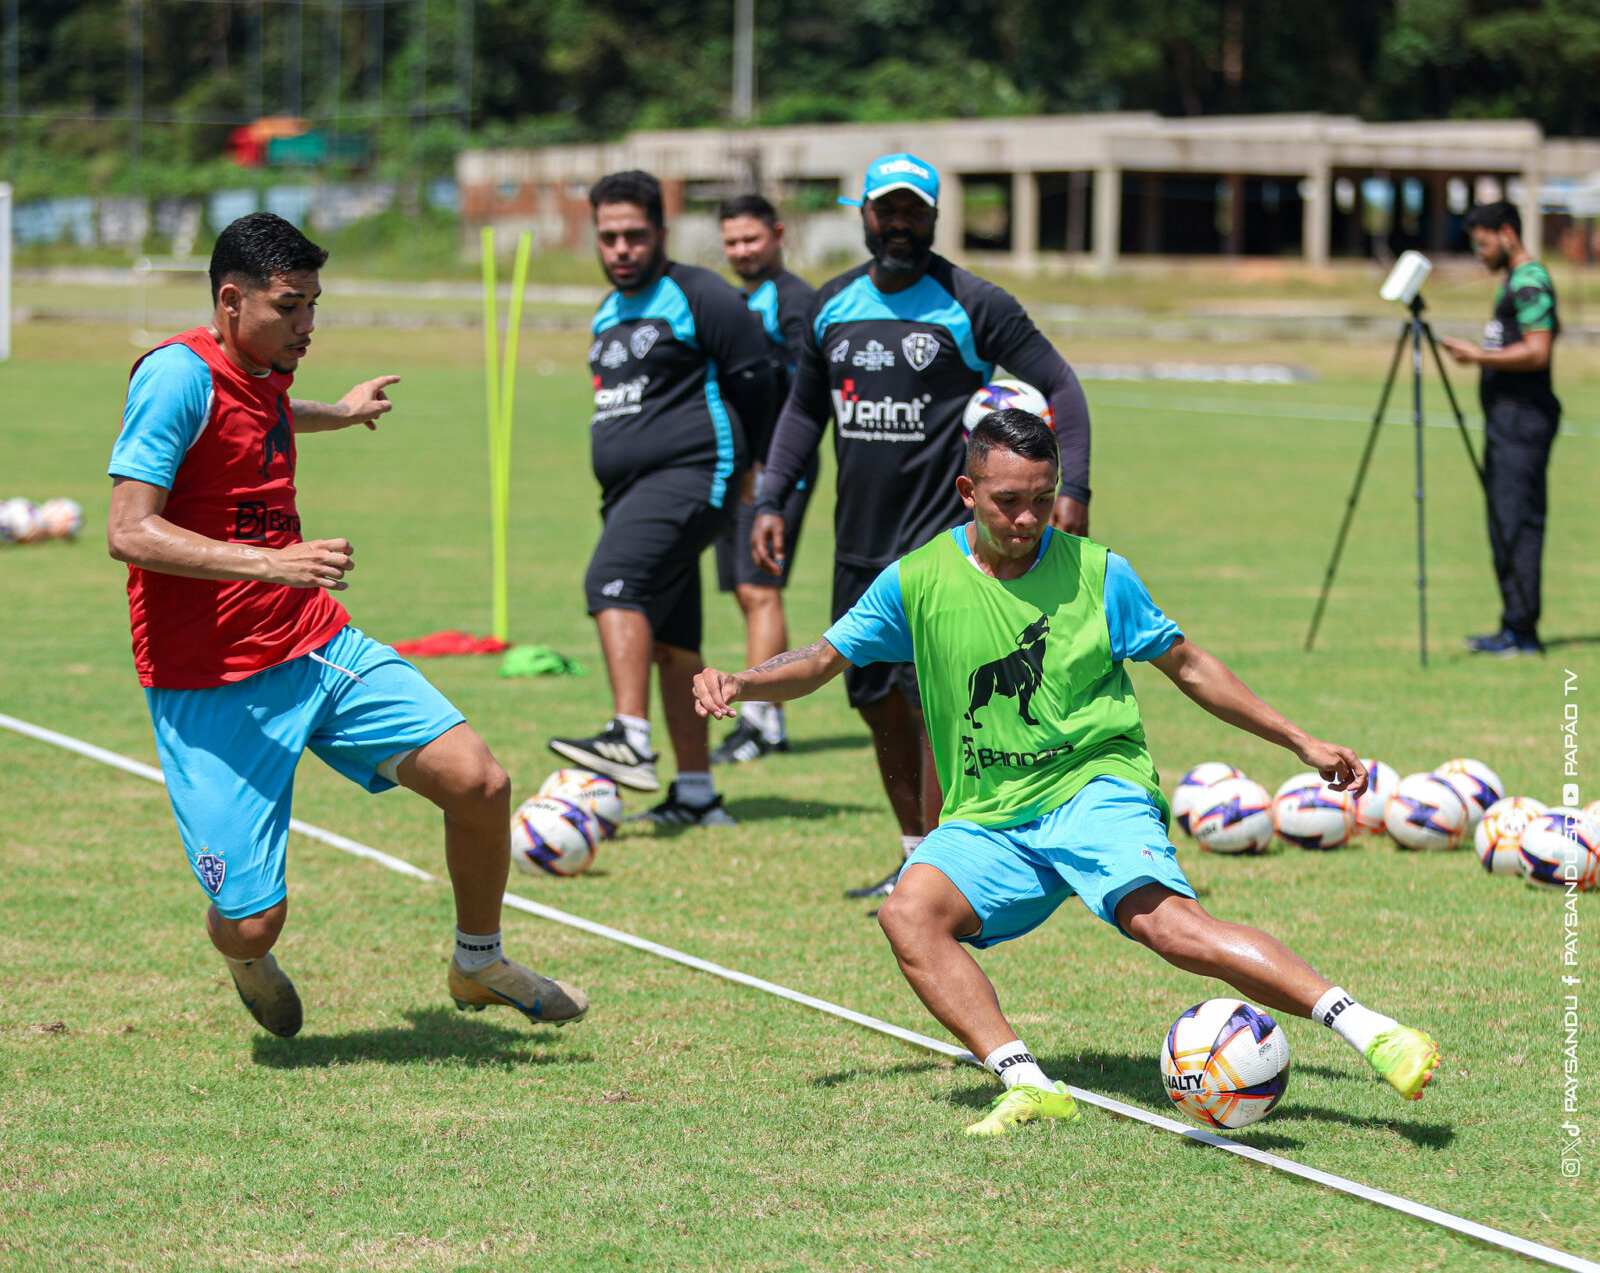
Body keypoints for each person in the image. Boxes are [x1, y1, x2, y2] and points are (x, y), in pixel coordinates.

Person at [698, 409, 1440, 1135]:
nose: (1027, 519)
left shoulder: (1099, 573)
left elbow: (1186, 664)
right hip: (988, 814)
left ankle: (1376, 1034)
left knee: (1173, 931)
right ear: (967, 493)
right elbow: (822, 662)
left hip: (1094, 786)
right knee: (908, 914)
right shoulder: (917, 580)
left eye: (1042, 499)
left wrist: (1299, 741)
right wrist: (742, 681)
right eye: (1008, 502)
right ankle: (1028, 1084)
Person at [105, 212, 587, 1038]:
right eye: (291, 307)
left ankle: (478, 960)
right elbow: (128, 530)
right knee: (255, 921)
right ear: (231, 300)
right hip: (210, 682)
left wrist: (341, 411)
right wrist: (273, 563)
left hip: (314, 641)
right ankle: (245, 959)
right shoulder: (175, 379)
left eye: (314, 306)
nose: (308, 326)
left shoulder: (261, 368)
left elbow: (257, 426)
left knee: (480, 783)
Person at [752, 152, 1093, 903]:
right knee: (870, 693)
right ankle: (913, 852)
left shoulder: (973, 302)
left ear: (934, 216)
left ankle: (945, 865)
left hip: (943, 538)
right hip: (857, 539)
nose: (899, 222)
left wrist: (1077, 485)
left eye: (913, 210)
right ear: (865, 214)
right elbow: (805, 409)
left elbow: (1060, 383)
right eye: (887, 209)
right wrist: (772, 496)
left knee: (931, 698)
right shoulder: (833, 303)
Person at [548, 171, 782, 825]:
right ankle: (699, 797)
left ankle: (630, 737)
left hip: (692, 474)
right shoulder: (606, 312)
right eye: (609, 236)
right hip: (628, 492)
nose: (621, 248)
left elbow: (756, 381)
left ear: (662, 233)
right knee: (674, 641)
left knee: (610, 583)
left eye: (634, 235)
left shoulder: (699, 293)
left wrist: (753, 469)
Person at [710, 193, 818, 765]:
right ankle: (767, 713)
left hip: (776, 470)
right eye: (731, 242)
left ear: (777, 234)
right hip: (739, 467)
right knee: (748, 590)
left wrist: (771, 467)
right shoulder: (741, 298)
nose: (741, 251)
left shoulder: (795, 301)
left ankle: (759, 720)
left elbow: (804, 396)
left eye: (751, 239)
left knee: (760, 587)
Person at [1440, 201, 1561, 657]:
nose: (1479, 253)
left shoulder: (1530, 280)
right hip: (1507, 422)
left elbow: (1537, 351)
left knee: (1518, 525)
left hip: (1523, 422)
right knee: (1504, 524)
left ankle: (1523, 633)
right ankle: (1513, 625)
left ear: (1507, 233)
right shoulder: (1514, 280)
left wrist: (1478, 357)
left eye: (1483, 243)